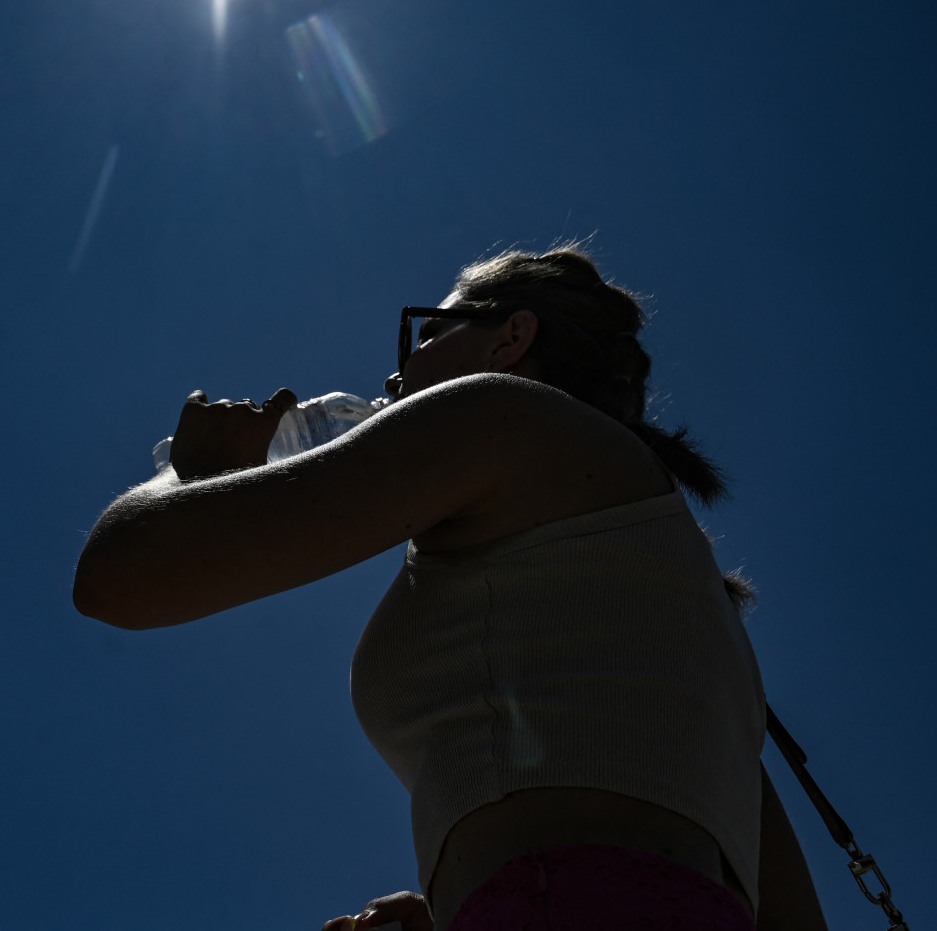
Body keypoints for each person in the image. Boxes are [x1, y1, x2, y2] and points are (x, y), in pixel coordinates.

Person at [73, 247, 828, 931]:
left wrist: (188, 470)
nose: (395, 373)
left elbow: (121, 578)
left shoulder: (500, 411)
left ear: (510, 339)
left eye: (428, 332)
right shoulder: (685, 597)